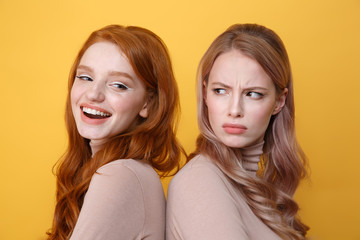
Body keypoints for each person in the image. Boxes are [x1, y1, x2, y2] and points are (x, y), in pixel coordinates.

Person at [166, 23, 309, 240]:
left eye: (253, 94)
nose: (234, 110)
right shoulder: (200, 181)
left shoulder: (254, 187)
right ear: (205, 94)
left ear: (279, 101)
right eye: (221, 90)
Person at [47, 25, 183, 240]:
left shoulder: (120, 175)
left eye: (119, 85)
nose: (93, 94)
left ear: (147, 103)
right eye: (85, 77)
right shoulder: (120, 170)